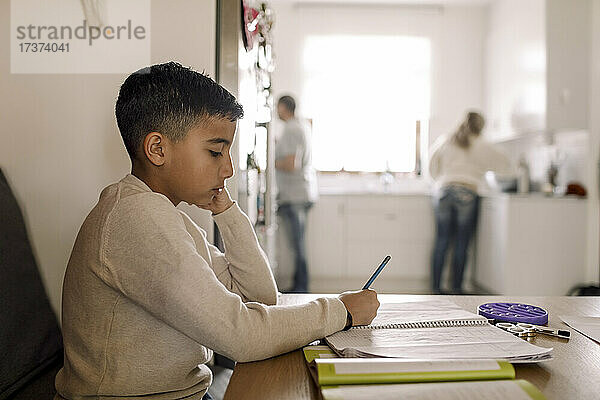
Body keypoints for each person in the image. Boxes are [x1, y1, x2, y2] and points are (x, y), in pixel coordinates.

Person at [54, 62, 379, 400]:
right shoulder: (137, 217)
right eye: (214, 151)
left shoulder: (167, 215)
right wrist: (341, 311)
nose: (227, 168)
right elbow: (242, 336)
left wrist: (226, 212)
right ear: (158, 149)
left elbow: (259, 296)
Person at [429, 111, 512, 295]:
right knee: (461, 243)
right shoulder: (482, 144)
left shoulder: (446, 140)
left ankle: (436, 288)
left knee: (441, 241)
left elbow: (431, 165)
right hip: (467, 191)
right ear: (481, 127)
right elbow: (505, 164)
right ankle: (457, 288)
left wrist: (441, 180)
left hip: (443, 190)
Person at [275, 95, 318, 293]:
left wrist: (267, 163)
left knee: (298, 245)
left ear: (284, 108)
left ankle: (300, 289)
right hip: (302, 192)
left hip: (295, 195)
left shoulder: (291, 129)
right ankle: (300, 286)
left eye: (278, 107)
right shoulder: (300, 127)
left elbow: (292, 163)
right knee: (298, 244)